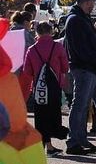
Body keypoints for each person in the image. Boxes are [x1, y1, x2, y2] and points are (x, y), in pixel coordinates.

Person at [63, 0, 96, 155]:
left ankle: (81, 139)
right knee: (79, 105)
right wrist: (94, 58)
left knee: (83, 105)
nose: (93, 5)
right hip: (83, 68)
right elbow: (80, 48)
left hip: (89, 67)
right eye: (92, 1)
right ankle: (73, 142)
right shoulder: (75, 20)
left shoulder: (81, 19)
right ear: (86, 1)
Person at [23, 21, 69, 156]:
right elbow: (65, 68)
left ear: (37, 33)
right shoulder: (57, 47)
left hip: (39, 88)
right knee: (53, 114)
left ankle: (43, 146)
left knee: (41, 116)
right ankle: (50, 145)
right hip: (54, 87)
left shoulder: (32, 49)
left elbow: (27, 71)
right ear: (51, 32)